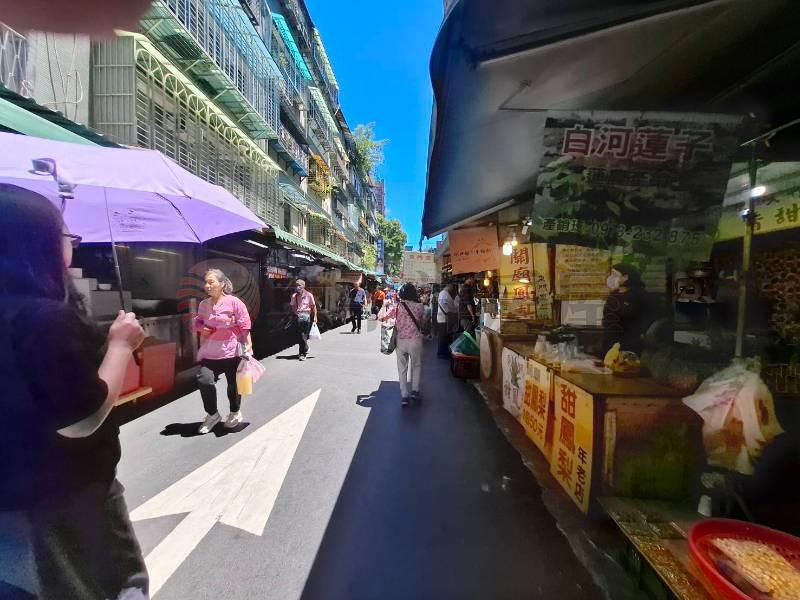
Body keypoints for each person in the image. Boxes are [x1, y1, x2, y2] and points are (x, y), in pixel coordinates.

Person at [0, 184, 149, 599]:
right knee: (117, 588)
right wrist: (120, 345)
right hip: (63, 503)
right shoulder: (43, 320)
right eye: (66, 235)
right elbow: (82, 419)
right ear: (38, 244)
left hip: (12, 504)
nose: (72, 246)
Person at [195, 269, 253, 434]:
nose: (207, 285)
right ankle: (212, 415)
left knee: (233, 385)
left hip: (231, 351)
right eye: (206, 282)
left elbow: (245, 325)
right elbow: (198, 322)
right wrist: (202, 328)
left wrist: (248, 346)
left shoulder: (235, 302)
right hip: (210, 352)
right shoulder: (203, 304)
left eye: (211, 282)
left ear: (222, 284)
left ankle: (235, 412)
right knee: (204, 379)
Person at [378, 283, 425, 405]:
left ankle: (404, 395)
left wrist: (385, 305)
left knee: (402, 368)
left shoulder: (397, 306)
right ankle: (415, 391)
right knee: (416, 366)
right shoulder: (420, 307)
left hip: (401, 341)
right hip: (415, 341)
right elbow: (423, 323)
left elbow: (381, 318)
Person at [602, 263, 650, 354]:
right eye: (610, 275)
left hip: (630, 346)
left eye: (614, 275)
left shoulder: (640, 295)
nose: (610, 278)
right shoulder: (613, 296)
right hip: (610, 344)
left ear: (625, 277)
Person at [290, 279, 317, 361]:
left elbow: (313, 306)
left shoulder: (309, 295)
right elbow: (292, 306)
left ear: (303, 286)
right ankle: (304, 350)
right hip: (299, 316)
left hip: (307, 316)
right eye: (296, 285)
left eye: (299, 285)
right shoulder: (294, 296)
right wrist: (296, 312)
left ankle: (303, 352)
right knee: (301, 335)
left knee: (303, 334)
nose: (297, 287)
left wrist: (315, 316)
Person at [436, 283, 458, 357]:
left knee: (444, 335)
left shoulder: (444, 293)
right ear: (449, 285)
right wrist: (448, 312)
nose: (452, 288)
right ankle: (442, 352)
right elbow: (443, 304)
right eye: (452, 286)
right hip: (443, 318)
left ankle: (443, 351)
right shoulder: (444, 293)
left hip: (443, 317)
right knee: (443, 336)